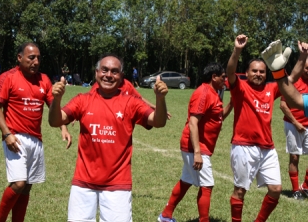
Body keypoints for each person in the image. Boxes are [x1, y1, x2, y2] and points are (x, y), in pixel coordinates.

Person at [49, 53, 168, 222]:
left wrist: (160, 99)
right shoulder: (82, 100)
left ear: (121, 76)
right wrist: (57, 99)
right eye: (104, 70)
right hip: (83, 183)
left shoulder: (131, 102)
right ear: (97, 72)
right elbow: (55, 121)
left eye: (114, 71)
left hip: (117, 185)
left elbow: (158, 121)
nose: (109, 75)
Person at [227, 34, 308, 222]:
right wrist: (237, 50)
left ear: (267, 73)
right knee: (240, 190)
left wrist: (303, 56)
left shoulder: (271, 89)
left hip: (267, 148)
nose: (258, 74)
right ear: (246, 73)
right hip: (243, 146)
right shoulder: (240, 88)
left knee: (276, 190)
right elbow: (230, 71)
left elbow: (293, 77)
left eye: (262, 71)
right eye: (254, 71)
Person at [0, 42, 71, 222]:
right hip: (15, 137)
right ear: (20, 58)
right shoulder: (7, 77)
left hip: (36, 139)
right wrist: (6, 134)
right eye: (31, 57)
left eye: (38, 58)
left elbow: (53, 106)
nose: (36, 61)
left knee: (27, 186)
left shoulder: (44, 79)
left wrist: (63, 128)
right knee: (18, 183)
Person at [158, 63, 233, 222]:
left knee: (186, 181)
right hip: (196, 147)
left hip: (198, 147)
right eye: (223, 77)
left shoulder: (215, 93)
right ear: (214, 77)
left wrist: (232, 103)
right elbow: (193, 122)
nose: (225, 80)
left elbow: (219, 117)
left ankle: (166, 215)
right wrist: (197, 152)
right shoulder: (203, 93)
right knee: (207, 186)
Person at [279, 58, 308, 200]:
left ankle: (306, 186)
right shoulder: (293, 82)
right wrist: (295, 122)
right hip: (293, 125)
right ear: (302, 67)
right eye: (306, 68)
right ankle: (296, 190)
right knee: (294, 157)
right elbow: (283, 105)